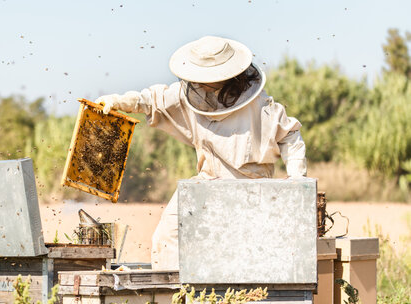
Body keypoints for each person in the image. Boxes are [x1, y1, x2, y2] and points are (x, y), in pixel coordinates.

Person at [96, 36, 307, 270]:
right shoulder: (189, 94)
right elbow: (151, 100)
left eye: (208, 82)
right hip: (204, 185)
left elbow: (290, 135)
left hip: (251, 189)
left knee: (238, 257)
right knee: (167, 240)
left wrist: (297, 178)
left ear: (229, 78)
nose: (201, 87)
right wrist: (118, 101)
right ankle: (175, 303)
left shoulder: (260, 106)